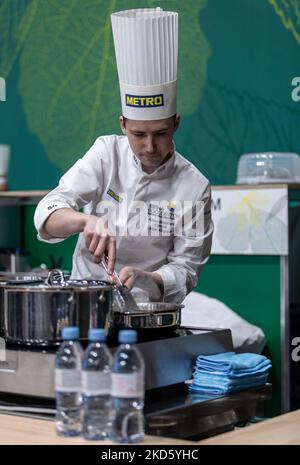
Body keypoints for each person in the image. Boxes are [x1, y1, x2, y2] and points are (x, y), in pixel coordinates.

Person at [34, 7, 213, 303]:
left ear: (176, 124)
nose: (150, 147)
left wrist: (151, 278)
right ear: (123, 125)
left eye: (161, 133)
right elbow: (48, 213)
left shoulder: (194, 187)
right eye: (139, 135)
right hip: (85, 304)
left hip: (147, 311)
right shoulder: (107, 153)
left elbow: (187, 269)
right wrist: (85, 222)